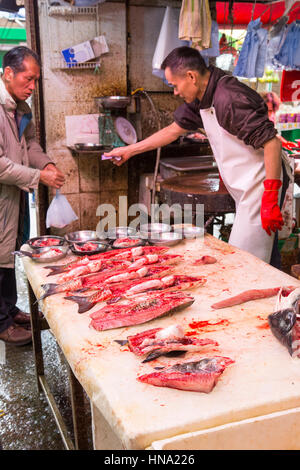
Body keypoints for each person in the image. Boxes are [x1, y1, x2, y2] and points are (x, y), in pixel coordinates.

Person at [104, 46, 291, 269]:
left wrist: (270, 195)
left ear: (191, 76)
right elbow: (173, 131)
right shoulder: (201, 98)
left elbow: (272, 143)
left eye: (174, 85)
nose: (174, 92)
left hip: (263, 182)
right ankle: (281, 299)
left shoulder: (229, 98)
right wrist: (129, 150)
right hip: (247, 184)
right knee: (262, 254)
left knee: (246, 261)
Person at [0, 46, 65, 346]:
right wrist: (39, 177)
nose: (32, 87)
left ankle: (9, 311)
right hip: (2, 195)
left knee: (11, 252)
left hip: (16, 195)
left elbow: (32, 145)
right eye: (28, 79)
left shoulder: (21, 108)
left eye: (36, 81)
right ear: (9, 73)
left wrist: (46, 163)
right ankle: (2, 324)